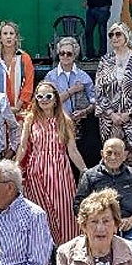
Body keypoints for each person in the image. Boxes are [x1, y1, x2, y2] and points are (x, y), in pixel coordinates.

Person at [15, 82, 87, 245]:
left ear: (55, 99)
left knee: (64, 212)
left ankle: (67, 250)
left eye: (48, 96)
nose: (44, 99)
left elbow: (72, 150)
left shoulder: (64, 120)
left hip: (60, 171)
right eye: (39, 96)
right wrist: (16, 166)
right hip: (36, 171)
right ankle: (44, 252)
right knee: (41, 213)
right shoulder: (30, 119)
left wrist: (84, 170)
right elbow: (23, 146)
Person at [73, 138, 132, 248]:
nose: (113, 157)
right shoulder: (90, 176)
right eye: (109, 153)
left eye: (117, 154)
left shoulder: (131, 174)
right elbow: (78, 205)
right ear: (102, 154)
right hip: (100, 228)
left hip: (128, 227)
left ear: (124, 156)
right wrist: (95, 222)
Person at [95, 22, 132, 168]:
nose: (114, 37)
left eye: (118, 34)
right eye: (111, 35)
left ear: (126, 36)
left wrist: (130, 114)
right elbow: (99, 91)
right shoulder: (105, 60)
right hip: (110, 120)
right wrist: (111, 114)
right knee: (112, 158)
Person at [44, 35, 98, 163]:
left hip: (80, 126)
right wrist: (72, 90)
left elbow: (95, 101)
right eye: (62, 53)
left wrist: (84, 112)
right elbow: (49, 101)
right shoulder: (51, 77)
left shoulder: (83, 76)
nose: (65, 56)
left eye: (69, 54)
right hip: (57, 123)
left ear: (75, 56)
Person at [0, 21, 36, 119]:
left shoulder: (24, 58)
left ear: (16, 37)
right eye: (5, 34)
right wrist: (1, 107)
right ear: (0, 38)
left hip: (20, 111)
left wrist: (17, 107)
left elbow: (28, 85)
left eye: (11, 33)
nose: (8, 36)